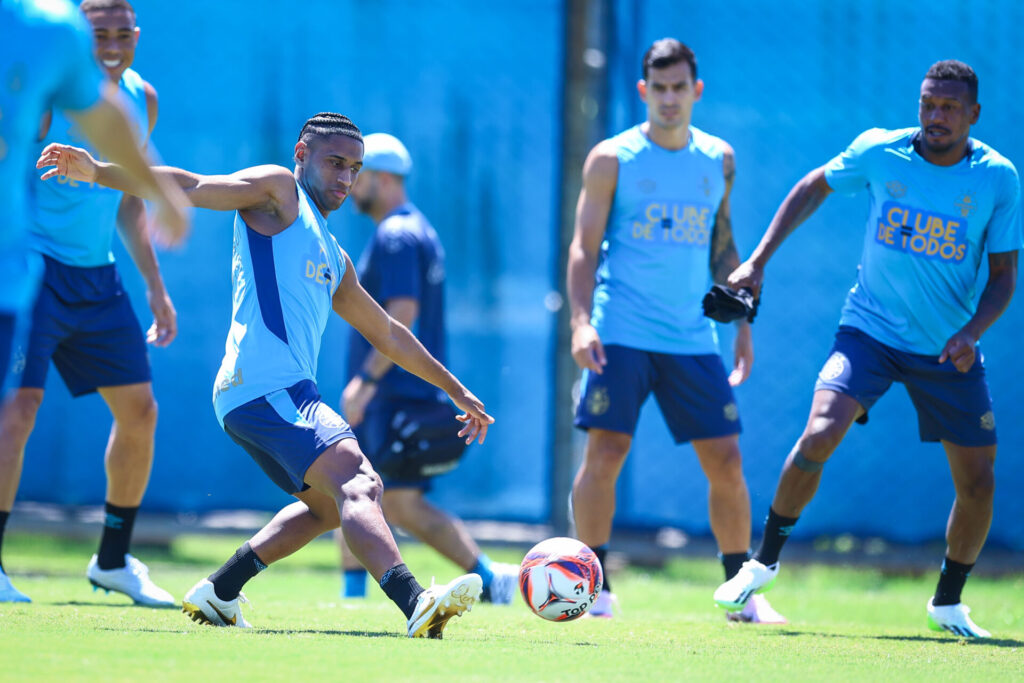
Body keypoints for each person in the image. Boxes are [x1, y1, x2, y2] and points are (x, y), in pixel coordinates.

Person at [37, 112, 495, 638]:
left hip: (262, 393)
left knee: (328, 507)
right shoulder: (279, 191)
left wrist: (455, 389)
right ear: (302, 153)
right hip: (267, 386)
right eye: (335, 162)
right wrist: (99, 172)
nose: (346, 178)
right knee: (361, 482)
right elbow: (192, 186)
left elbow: (388, 333)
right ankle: (416, 603)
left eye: (355, 168)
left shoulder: (332, 252)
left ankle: (220, 590)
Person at [713, 60, 1020, 639]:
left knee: (979, 483)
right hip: (870, 332)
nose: (937, 115)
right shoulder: (881, 151)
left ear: (974, 115)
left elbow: (1005, 276)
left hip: (948, 348)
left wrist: (971, 332)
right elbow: (814, 185)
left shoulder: (998, 178)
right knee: (819, 432)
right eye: (929, 103)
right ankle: (763, 562)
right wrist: (757, 261)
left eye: (951, 107)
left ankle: (948, 604)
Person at [566, 38, 784, 623]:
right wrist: (582, 324)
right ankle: (593, 586)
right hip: (622, 329)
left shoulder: (719, 158)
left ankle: (741, 592)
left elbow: (724, 245)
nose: (668, 98)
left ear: (696, 91)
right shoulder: (612, 158)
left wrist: (742, 318)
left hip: (692, 336)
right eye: (657, 88)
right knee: (606, 451)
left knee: (727, 461)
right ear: (643, 91)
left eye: (678, 87)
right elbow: (584, 249)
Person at [0, 0, 189, 604]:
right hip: (36, 269)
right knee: (18, 410)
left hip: (98, 279)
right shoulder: (48, 82)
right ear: (80, 36)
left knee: (141, 413)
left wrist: (155, 286)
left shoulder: (144, 99)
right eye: (97, 33)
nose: (110, 44)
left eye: (119, 33)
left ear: (136, 36)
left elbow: (129, 201)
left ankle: (112, 560)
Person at [335, 133, 518, 605]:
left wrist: (368, 380)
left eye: (356, 173)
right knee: (390, 499)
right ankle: (489, 579)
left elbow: (402, 314)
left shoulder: (396, 235)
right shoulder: (416, 229)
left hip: (391, 393)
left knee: (361, 491)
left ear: (381, 177)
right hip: (400, 392)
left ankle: (356, 597)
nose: (349, 184)